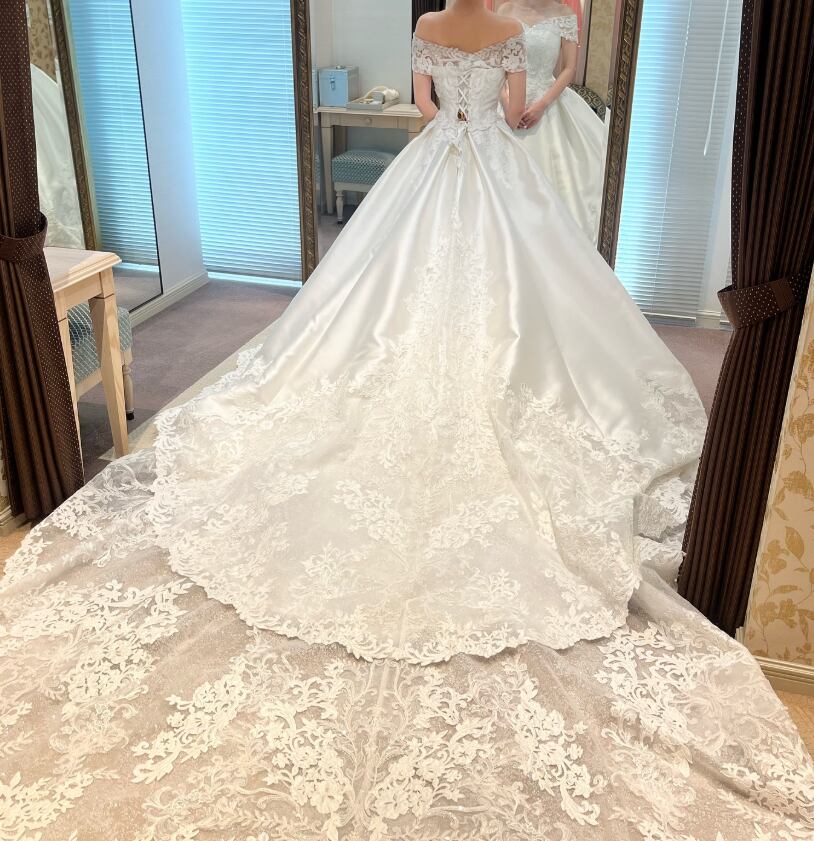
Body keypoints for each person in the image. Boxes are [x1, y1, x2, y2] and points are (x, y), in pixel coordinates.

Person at [1, 2, 812, 837]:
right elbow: (513, 107)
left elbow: (427, 107)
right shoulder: (506, 34)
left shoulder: (427, 26)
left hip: (432, 168)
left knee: (377, 292)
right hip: (496, 167)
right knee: (531, 294)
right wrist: (486, 118)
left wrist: (450, 123)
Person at [499, 0, 608, 242]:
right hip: (505, 101)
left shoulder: (565, 14)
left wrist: (541, 105)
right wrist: (507, 102)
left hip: (547, 100)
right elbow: (497, 62)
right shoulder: (506, 10)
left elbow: (569, 68)